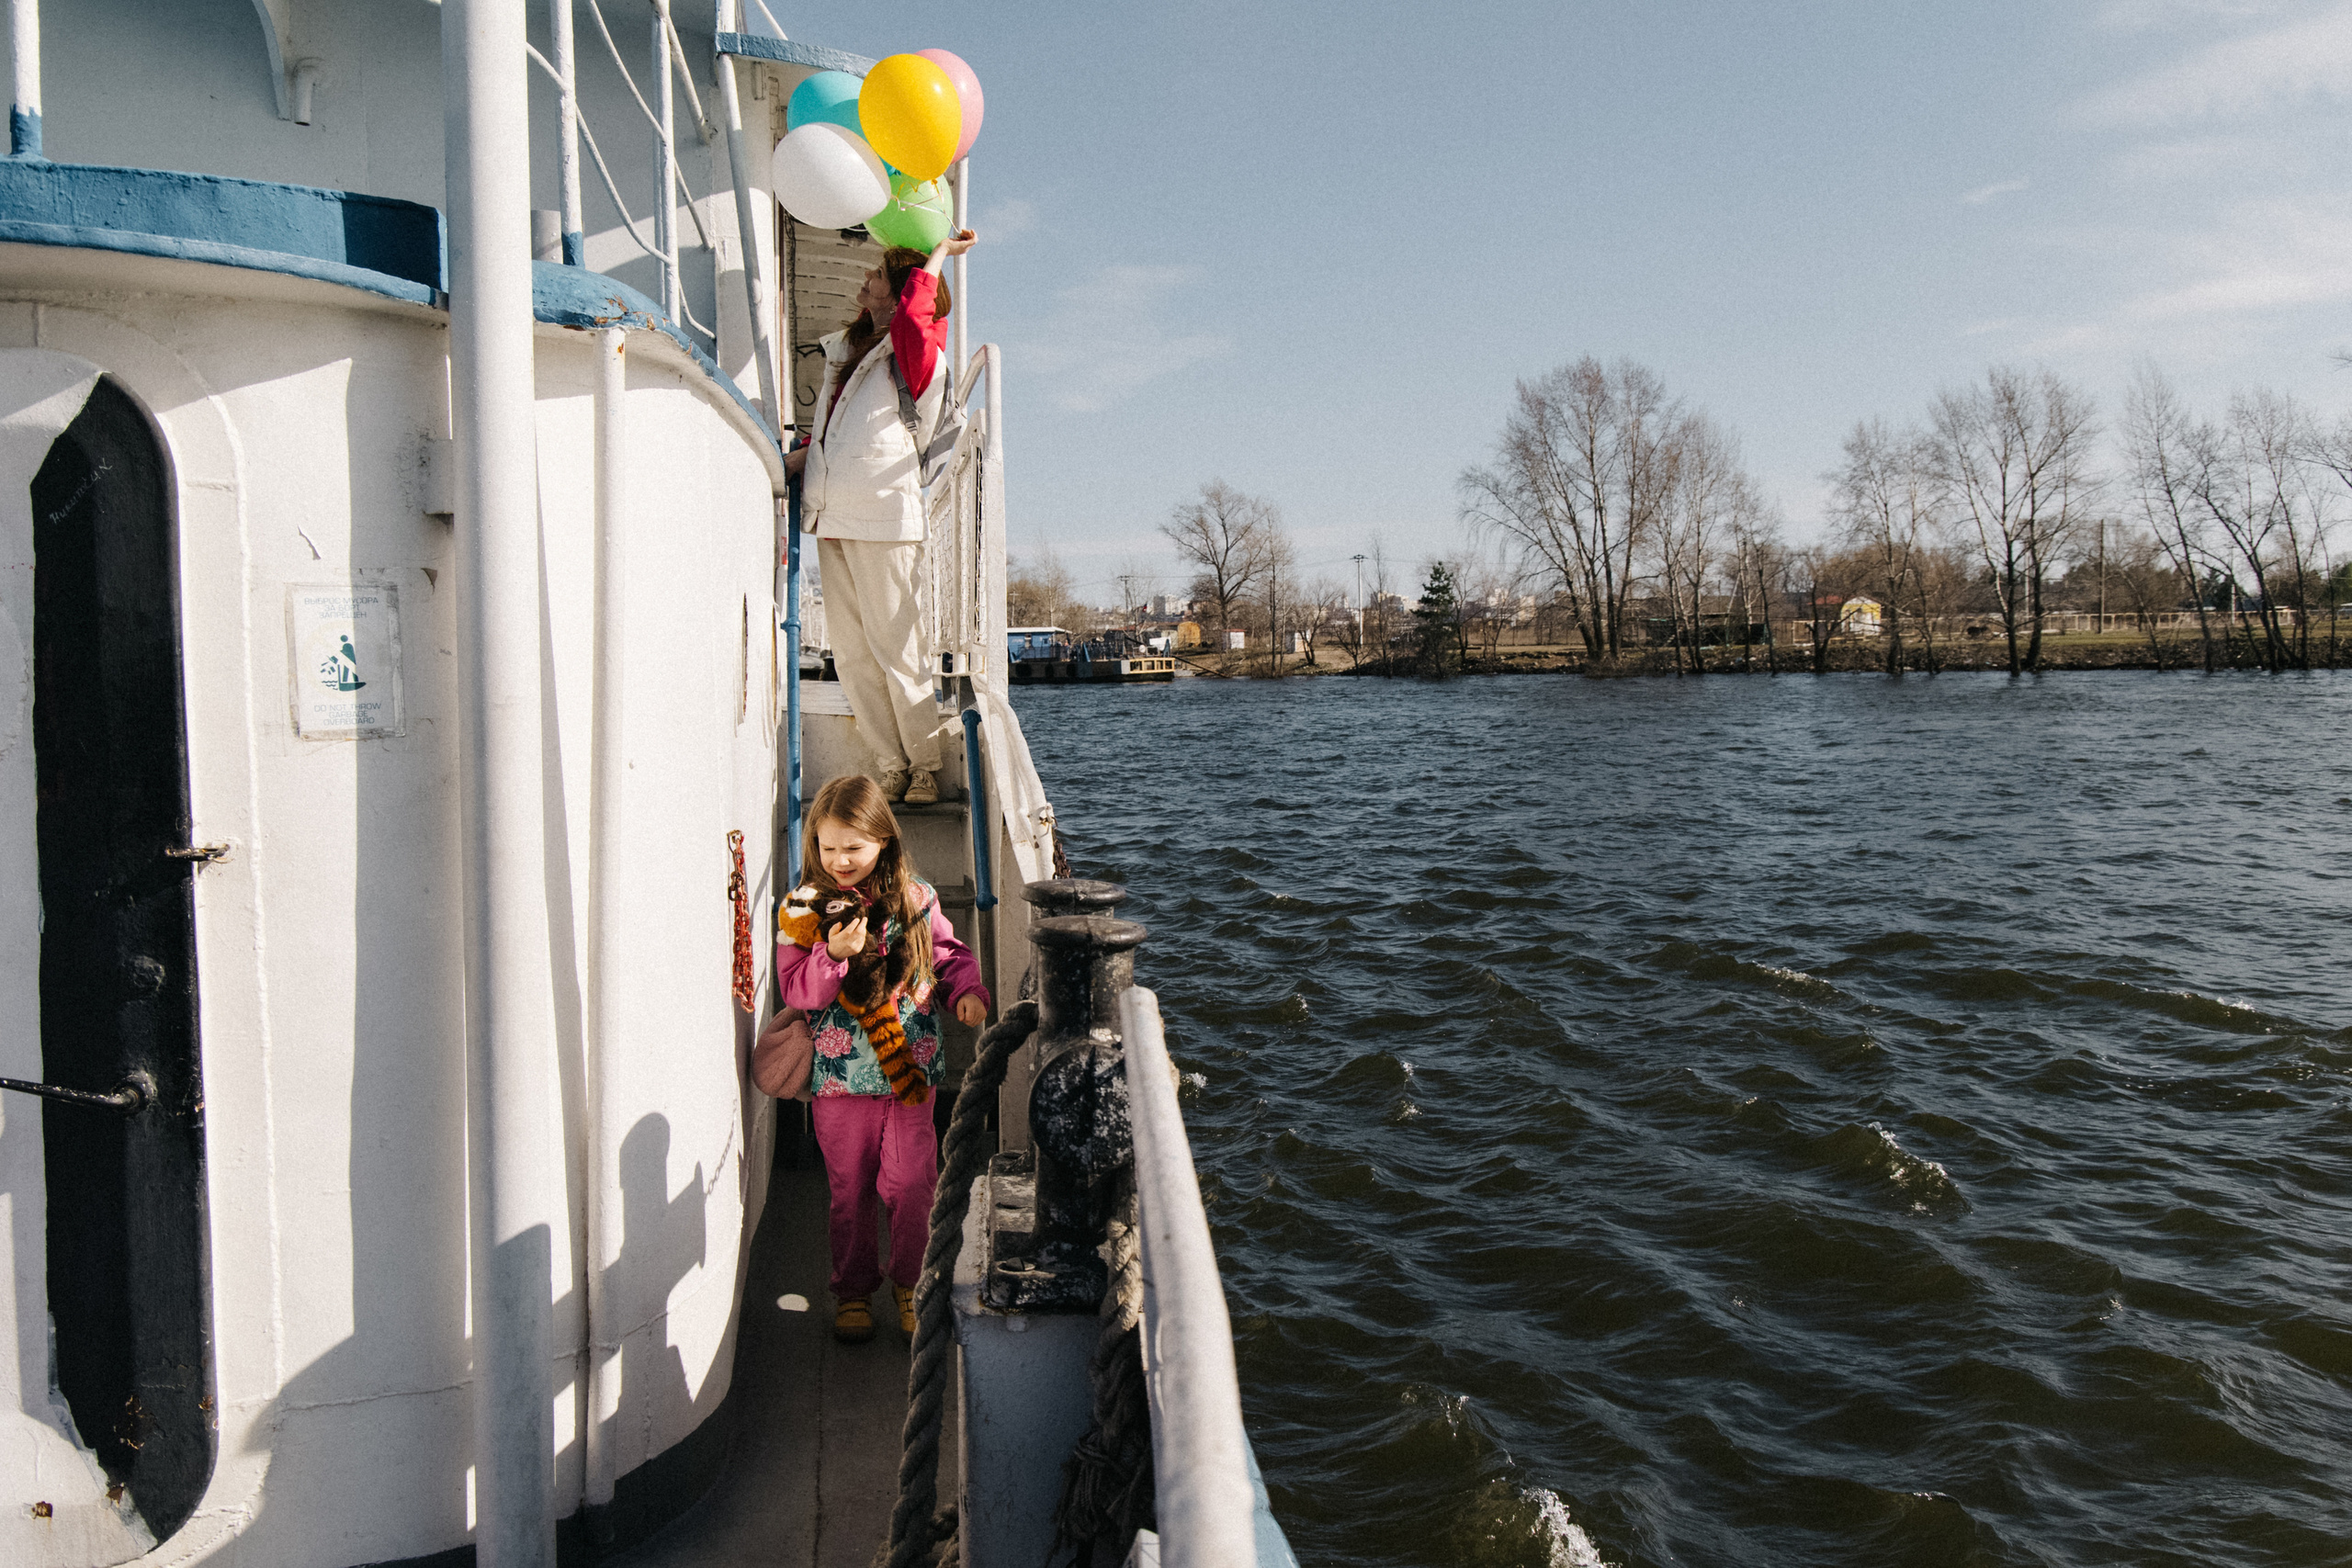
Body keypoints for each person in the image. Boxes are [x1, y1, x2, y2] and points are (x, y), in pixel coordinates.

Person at [775, 773, 989, 1343]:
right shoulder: (802, 909)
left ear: (885, 841)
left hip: (909, 1076)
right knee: (849, 1192)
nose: (839, 860)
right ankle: (852, 1290)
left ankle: (912, 1285)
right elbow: (796, 989)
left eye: (854, 847)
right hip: (840, 1081)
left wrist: (966, 991)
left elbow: (947, 953)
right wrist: (832, 955)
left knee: (914, 1185)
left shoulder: (918, 898)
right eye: (827, 847)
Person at [786, 231, 978, 807]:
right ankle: (891, 764)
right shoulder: (851, 354)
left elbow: (919, 315)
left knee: (898, 648)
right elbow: (838, 433)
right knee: (851, 654)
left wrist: (939, 256)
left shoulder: (912, 350)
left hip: (885, 515)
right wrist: (799, 459)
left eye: (877, 274)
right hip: (834, 513)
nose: (864, 279)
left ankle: (924, 768)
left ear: (897, 292)